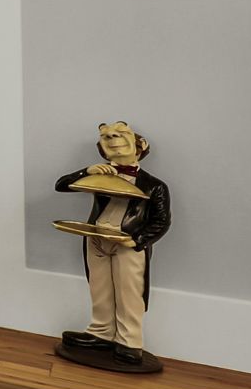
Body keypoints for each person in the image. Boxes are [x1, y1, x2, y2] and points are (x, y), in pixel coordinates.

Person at [52, 121, 170, 374]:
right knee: (100, 287)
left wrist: (137, 240)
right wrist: (86, 171)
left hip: (127, 243)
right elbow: (62, 185)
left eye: (120, 133)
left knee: (129, 293)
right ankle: (101, 332)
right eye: (106, 136)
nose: (112, 137)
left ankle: (130, 343)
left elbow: (161, 221)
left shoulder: (155, 186)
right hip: (96, 238)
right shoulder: (99, 174)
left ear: (141, 147)